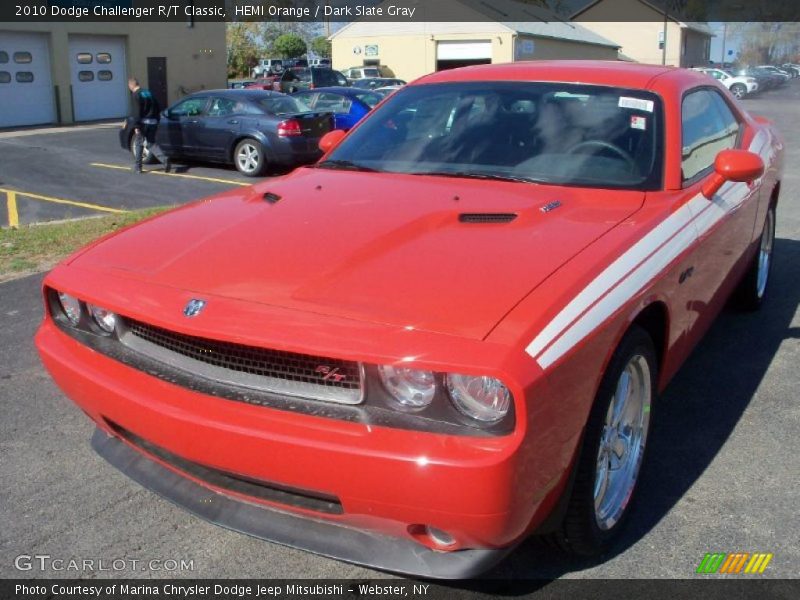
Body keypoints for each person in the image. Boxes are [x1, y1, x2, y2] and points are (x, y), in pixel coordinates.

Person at [126, 78, 170, 174]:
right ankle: (164, 159)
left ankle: (138, 167)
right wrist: (157, 120)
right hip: (153, 122)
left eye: (129, 86)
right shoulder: (149, 93)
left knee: (139, 144)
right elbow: (158, 106)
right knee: (151, 143)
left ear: (131, 85)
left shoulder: (135, 95)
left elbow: (136, 111)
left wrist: (136, 126)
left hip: (143, 123)